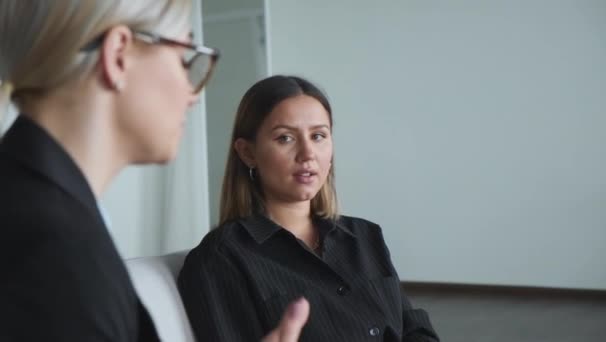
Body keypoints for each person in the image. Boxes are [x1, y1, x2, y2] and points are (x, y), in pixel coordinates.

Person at [0, 2, 306, 341]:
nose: (193, 94)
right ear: (118, 55)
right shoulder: (52, 253)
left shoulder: (40, 208)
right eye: (185, 57)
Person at [178, 75, 440, 341]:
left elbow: (415, 330)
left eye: (318, 136)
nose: (307, 153)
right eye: (285, 138)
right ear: (248, 153)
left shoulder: (364, 235)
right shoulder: (221, 258)